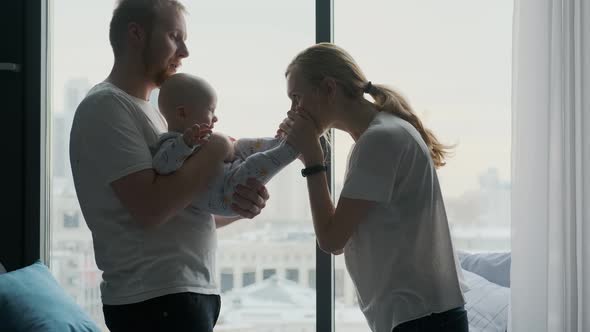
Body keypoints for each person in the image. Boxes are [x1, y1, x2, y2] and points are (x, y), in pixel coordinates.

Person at [69, 1, 269, 331]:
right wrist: (218, 146)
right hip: (155, 300)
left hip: (176, 296)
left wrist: (235, 206)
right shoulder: (105, 106)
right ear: (136, 34)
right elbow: (151, 209)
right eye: (175, 36)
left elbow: (181, 206)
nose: (185, 51)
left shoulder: (152, 114)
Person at [278, 43, 469, 332]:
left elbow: (332, 240)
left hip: (421, 318)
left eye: (297, 98)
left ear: (329, 88)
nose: (293, 110)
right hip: (425, 315)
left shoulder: (379, 140)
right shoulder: (385, 132)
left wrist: (314, 161)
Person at [153, 73, 298, 216]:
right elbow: (162, 166)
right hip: (226, 195)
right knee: (254, 163)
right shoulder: (169, 142)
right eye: (210, 110)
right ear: (183, 113)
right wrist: (185, 144)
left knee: (242, 145)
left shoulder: (200, 138)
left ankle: (279, 142)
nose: (215, 118)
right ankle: (291, 148)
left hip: (229, 173)